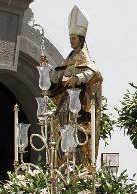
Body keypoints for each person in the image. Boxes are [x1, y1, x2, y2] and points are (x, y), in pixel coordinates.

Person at [47, 4, 103, 166]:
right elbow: (59, 74)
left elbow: (92, 73)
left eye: (74, 38)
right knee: (61, 128)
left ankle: (79, 163)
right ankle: (61, 161)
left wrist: (77, 78)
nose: (71, 41)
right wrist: (47, 71)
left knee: (78, 133)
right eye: (70, 38)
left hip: (80, 104)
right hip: (66, 101)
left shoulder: (85, 58)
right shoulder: (71, 57)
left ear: (81, 39)